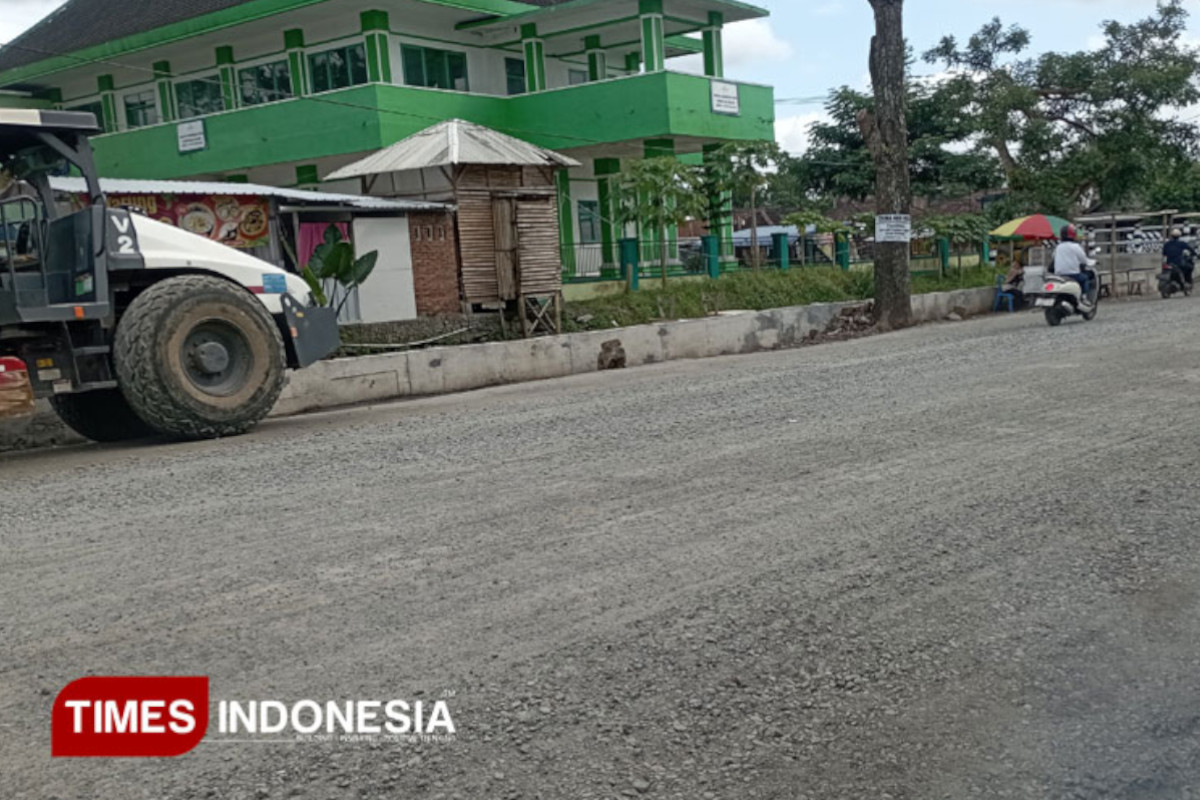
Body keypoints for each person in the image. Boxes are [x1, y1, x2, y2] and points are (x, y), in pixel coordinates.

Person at [1052, 224, 1095, 302]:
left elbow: (1053, 257)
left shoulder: (1058, 247)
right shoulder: (1076, 246)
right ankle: (1084, 298)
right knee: (1085, 278)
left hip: (1059, 275)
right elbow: (1084, 260)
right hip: (1073, 274)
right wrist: (1093, 262)